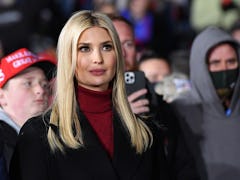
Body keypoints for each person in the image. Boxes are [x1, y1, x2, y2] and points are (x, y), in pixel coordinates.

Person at [9, 10, 168, 180]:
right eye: (84, 48)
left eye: (107, 47)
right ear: (68, 56)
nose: (98, 58)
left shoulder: (147, 133)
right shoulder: (39, 135)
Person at [171, 26, 240, 180]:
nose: (224, 69)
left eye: (231, 62)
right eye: (215, 63)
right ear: (199, 66)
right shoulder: (180, 111)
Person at [0, 48, 56, 173]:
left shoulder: (58, 134)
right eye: (28, 83)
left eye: (45, 85)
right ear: (2, 96)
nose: (40, 91)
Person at [108, 14, 152, 115]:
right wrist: (120, 116)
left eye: (128, 44)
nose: (122, 53)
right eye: (113, 45)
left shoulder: (149, 92)